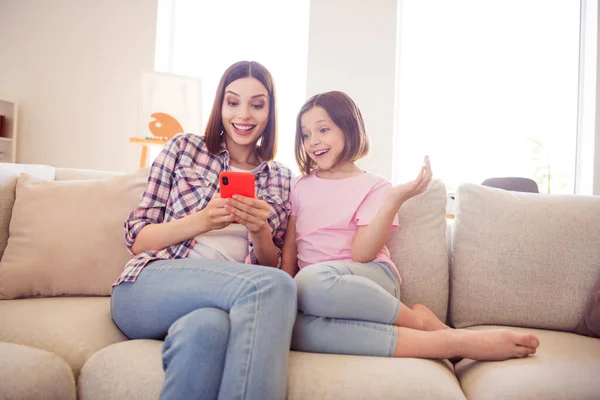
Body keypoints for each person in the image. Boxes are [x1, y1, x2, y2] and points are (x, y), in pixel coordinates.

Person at [283, 90, 540, 361]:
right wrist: (285, 293)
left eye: (323, 129)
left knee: (310, 281)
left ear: (349, 129)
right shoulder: (299, 185)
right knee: (294, 331)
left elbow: (361, 254)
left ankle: (420, 323)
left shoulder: (375, 186)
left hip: (368, 278)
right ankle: (448, 344)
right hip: (318, 296)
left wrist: (394, 199)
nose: (313, 141)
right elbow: (290, 248)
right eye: (306, 134)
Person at [111, 61, 297, 400]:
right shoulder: (185, 148)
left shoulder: (281, 177)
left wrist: (259, 231)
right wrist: (202, 220)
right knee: (276, 287)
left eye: (257, 104)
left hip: (219, 305)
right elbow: (137, 238)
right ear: (220, 105)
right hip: (149, 286)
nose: (244, 115)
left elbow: (268, 266)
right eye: (233, 102)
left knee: (206, 331)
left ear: (270, 112)